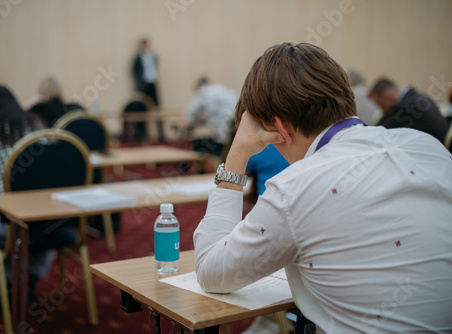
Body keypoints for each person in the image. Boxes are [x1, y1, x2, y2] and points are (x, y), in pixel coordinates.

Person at [193, 43, 452, 333]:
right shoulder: (428, 147)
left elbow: (210, 272)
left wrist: (237, 153)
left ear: (278, 127)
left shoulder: (295, 187)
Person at [0, 84, 72, 301]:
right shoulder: (34, 122)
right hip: (43, 215)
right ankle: (31, 279)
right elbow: (48, 162)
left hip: (4, 219)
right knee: (34, 228)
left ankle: (10, 283)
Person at [368, 77, 449, 143]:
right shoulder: (417, 98)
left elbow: (381, 135)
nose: (382, 111)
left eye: (380, 105)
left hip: (435, 151)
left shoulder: (405, 107)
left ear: (390, 97)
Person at [186, 77, 239, 157]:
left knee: (196, 144)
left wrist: (189, 123)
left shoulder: (203, 92)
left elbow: (191, 112)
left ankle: (200, 169)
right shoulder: (222, 89)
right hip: (234, 138)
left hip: (221, 140)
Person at [132, 38, 160, 106]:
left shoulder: (152, 56)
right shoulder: (138, 57)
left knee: (155, 101)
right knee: (141, 100)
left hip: (152, 80)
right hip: (143, 81)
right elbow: (134, 70)